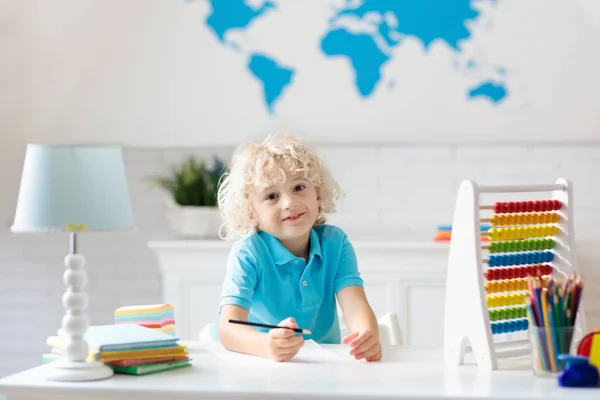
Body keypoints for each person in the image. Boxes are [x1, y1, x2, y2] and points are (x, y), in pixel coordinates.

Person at [217, 134, 381, 362]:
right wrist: (267, 345)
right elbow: (228, 328)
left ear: (318, 194)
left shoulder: (335, 242)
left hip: (327, 366)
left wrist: (366, 334)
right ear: (252, 212)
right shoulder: (248, 253)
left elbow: (355, 304)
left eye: (299, 187)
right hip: (264, 367)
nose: (289, 203)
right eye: (271, 196)